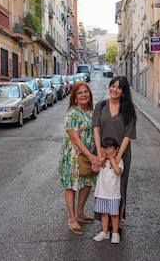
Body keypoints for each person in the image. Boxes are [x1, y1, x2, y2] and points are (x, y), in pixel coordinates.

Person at [92, 76, 137, 233]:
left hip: (122, 154)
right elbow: (96, 129)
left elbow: (128, 135)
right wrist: (99, 152)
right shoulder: (100, 106)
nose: (114, 89)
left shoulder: (128, 109)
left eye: (118, 87)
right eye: (112, 86)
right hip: (103, 153)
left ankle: (117, 220)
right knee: (103, 185)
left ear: (123, 91)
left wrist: (117, 158)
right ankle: (105, 221)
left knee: (120, 186)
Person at [58, 82, 100, 235]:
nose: (83, 95)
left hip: (89, 153)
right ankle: (72, 219)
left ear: (89, 95)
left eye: (86, 92)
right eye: (80, 93)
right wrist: (90, 155)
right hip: (73, 156)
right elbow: (75, 138)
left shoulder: (91, 111)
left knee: (87, 183)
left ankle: (80, 212)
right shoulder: (72, 114)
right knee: (72, 185)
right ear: (74, 97)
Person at [92, 137, 124, 244]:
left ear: (117, 149)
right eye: (105, 149)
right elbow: (94, 169)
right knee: (104, 214)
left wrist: (111, 159)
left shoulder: (118, 161)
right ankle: (105, 232)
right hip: (101, 194)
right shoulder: (102, 162)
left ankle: (115, 232)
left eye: (111, 149)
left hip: (113, 195)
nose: (108, 151)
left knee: (114, 215)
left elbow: (118, 171)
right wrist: (101, 158)